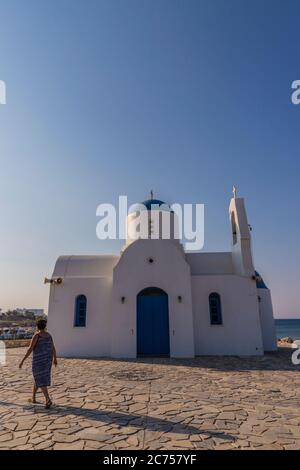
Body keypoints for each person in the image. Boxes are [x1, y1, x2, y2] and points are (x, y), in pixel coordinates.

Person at [19, 318, 57, 408]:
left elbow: (30, 349)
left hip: (39, 361)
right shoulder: (49, 335)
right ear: (45, 326)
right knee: (38, 378)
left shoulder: (37, 335)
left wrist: (22, 360)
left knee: (40, 379)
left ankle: (48, 399)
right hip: (48, 360)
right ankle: (33, 398)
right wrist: (55, 359)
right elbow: (53, 348)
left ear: (37, 326)